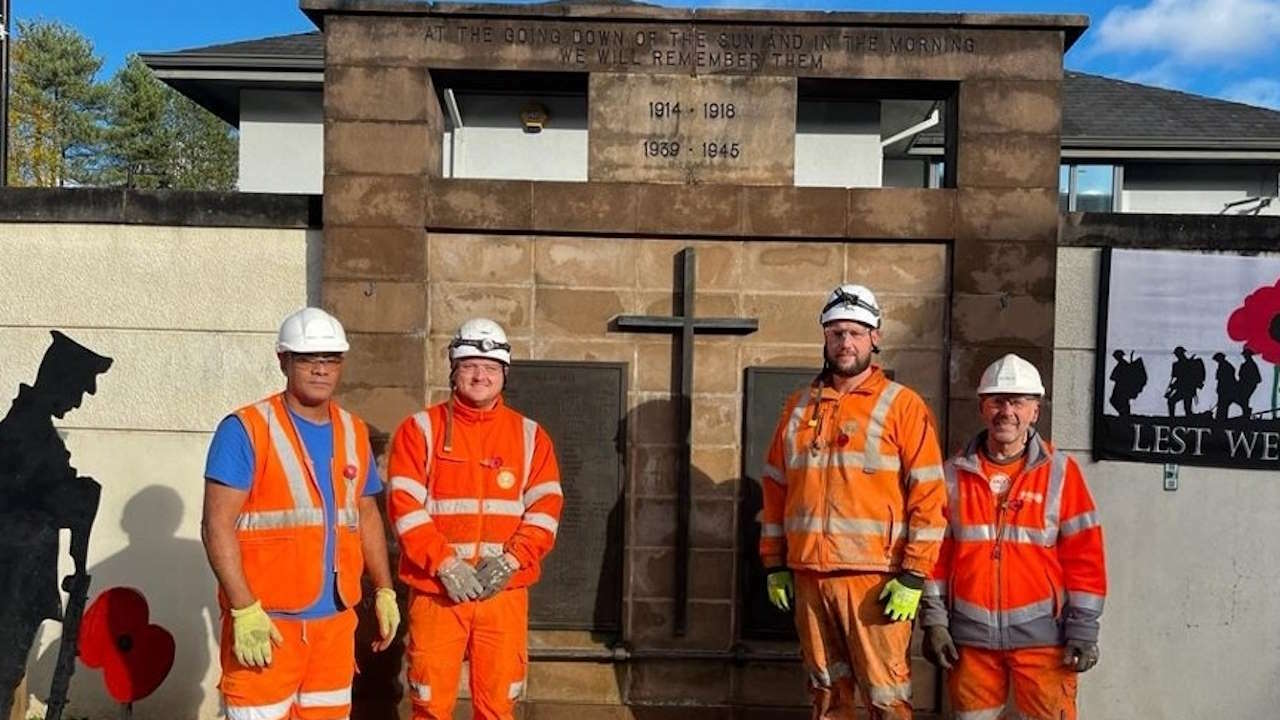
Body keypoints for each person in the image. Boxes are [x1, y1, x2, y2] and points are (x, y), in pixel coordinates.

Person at [759, 284, 946, 719]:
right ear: (824, 337)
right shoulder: (798, 407)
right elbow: (775, 488)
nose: (846, 343)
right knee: (826, 693)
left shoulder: (903, 406)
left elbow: (930, 496)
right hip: (809, 577)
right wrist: (774, 564)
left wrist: (915, 574)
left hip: (876, 582)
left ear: (875, 337)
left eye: (856, 333)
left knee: (886, 696)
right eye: (837, 332)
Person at [202, 307, 399, 720]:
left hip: (333, 629)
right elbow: (216, 524)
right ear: (283, 361)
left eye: (330, 359)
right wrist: (243, 607)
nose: (321, 370)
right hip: (268, 625)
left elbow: (366, 514)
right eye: (308, 359)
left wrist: (384, 588)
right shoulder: (246, 428)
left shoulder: (352, 430)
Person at [387, 318, 563, 720]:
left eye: (490, 367)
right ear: (453, 370)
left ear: (504, 373)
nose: (480, 375)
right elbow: (404, 506)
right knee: (430, 704)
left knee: (499, 706)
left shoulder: (530, 436)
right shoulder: (421, 430)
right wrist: (444, 563)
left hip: (502, 593)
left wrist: (512, 560)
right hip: (437, 593)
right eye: (469, 365)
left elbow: (546, 509)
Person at [920, 354, 1107, 720]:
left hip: (1045, 644)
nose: (1007, 411)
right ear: (982, 408)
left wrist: (1083, 630)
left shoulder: (1061, 474)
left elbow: (1085, 558)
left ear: (1035, 411)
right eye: (998, 401)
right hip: (970, 645)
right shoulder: (951, 476)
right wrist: (935, 622)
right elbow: (934, 558)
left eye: (1018, 402)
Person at [0, 332, 111, 720]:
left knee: (8, 671)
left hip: (20, 578)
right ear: (59, 380)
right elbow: (20, 500)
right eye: (79, 389)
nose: (79, 400)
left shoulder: (33, 431)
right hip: (11, 579)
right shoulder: (23, 433)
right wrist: (72, 496)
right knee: (4, 670)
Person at [1166, 346, 1204, 417]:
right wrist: (1170, 390)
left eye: (1178, 354)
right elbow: (1175, 379)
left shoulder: (1190, 364)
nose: (1177, 355)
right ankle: (1172, 418)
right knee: (1171, 402)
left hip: (1188, 389)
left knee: (1187, 408)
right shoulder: (1177, 365)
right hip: (1181, 388)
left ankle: (1184, 419)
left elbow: (1188, 377)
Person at [1237, 347, 1262, 418]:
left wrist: (1248, 381)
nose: (1245, 356)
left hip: (1249, 385)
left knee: (1244, 399)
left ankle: (1246, 414)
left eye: (1246, 355)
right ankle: (1246, 413)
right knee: (1243, 399)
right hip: (1246, 384)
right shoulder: (1246, 364)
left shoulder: (1251, 365)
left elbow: (1257, 378)